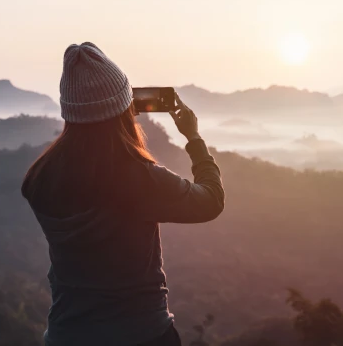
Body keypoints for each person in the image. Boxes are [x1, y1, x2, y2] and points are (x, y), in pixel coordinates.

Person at [22, 42, 225, 346]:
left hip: (66, 335)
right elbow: (210, 201)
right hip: (141, 334)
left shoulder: (41, 179)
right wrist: (194, 138)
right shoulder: (137, 179)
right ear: (122, 110)